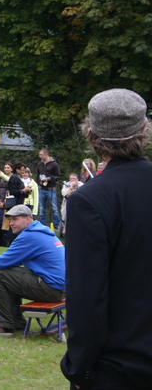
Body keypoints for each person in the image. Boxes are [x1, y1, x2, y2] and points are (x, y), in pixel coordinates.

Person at [60, 89, 152, 389]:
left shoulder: (89, 200)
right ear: (144, 129)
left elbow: (86, 296)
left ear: (92, 134)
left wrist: (80, 367)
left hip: (119, 365)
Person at [0, 204, 65, 336]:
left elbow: (4, 259)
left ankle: (5, 326)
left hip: (52, 289)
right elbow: (9, 261)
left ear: (27, 219)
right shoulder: (40, 231)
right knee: (8, 273)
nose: (11, 223)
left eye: (15, 219)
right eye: (10, 220)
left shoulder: (29, 236)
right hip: (62, 288)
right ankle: (17, 322)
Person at [36, 148, 62, 231]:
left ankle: (57, 226)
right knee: (41, 209)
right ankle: (43, 226)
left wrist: (49, 179)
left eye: (41, 154)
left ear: (46, 154)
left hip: (51, 189)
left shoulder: (54, 164)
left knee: (54, 208)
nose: (40, 156)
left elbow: (58, 176)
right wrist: (38, 183)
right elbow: (37, 175)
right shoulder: (39, 164)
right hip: (41, 188)